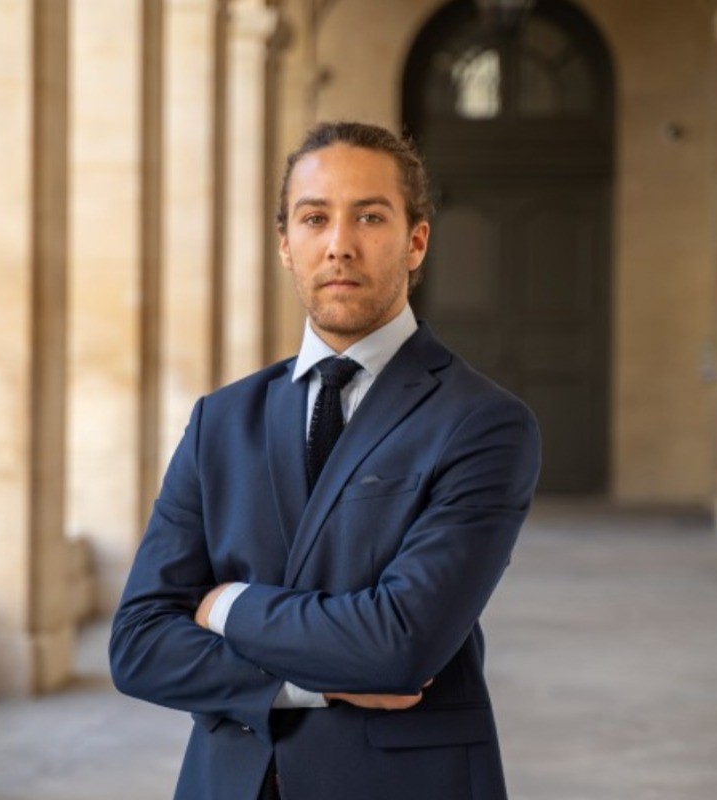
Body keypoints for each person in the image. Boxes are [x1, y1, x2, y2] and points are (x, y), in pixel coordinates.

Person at [110, 120, 541, 800]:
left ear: (416, 241)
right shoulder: (220, 421)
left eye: (369, 217)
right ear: (286, 244)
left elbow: (400, 645)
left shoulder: (484, 423)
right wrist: (310, 684)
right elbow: (138, 645)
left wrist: (226, 604)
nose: (339, 244)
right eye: (315, 218)